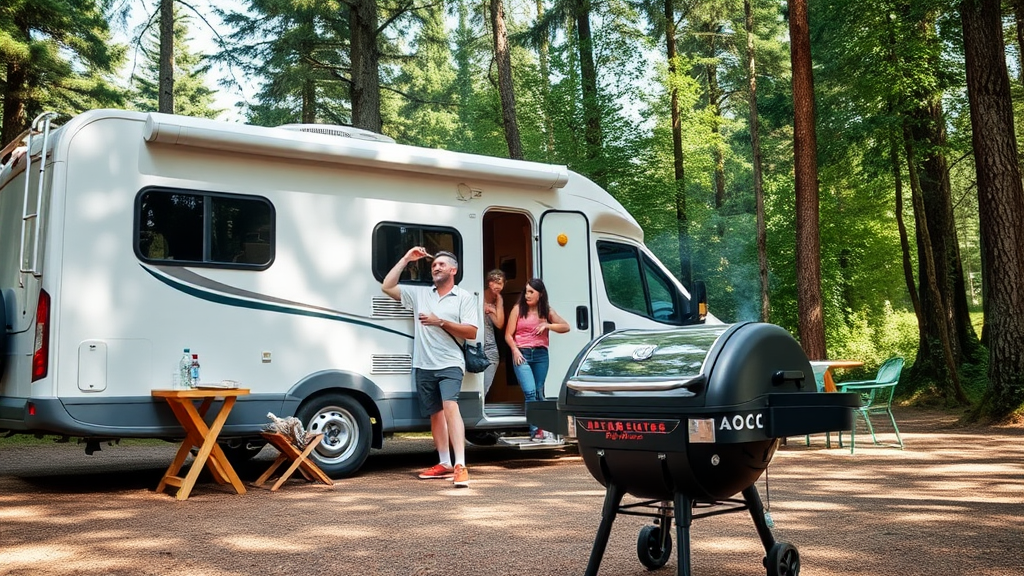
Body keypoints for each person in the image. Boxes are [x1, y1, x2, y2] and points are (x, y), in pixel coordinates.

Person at [382, 247, 478, 487]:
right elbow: (387, 286)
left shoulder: (464, 297)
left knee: (449, 406)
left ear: (453, 270)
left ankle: (460, 465)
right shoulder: (420, 295)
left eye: (442, 265)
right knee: (435, 413)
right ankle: (444, 463)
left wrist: (441, 322)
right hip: (424, 364)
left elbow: (472, 332)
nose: (436, 267)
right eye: (434, 265)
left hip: (450, 362)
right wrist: (406, 258)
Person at [504, 278, 570, 441]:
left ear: (540, 294)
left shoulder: (546, 310)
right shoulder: (518, 309)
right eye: (526, 291)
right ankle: (535, 431)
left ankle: (544, 428)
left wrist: (548, 326)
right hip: (522, 354)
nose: (527, 295)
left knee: (540, 391)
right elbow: (508, 335)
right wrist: (515, 350)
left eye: (531, 292)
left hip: (541, 355)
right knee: (530, 392)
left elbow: (566, 326)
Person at [482, 269, 506, 397]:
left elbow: (499, 324)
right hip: (476, 345)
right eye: (493, 282)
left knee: (485, 385)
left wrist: (494, 308)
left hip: (491, 348)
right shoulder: (478, 296)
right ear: (488, 283)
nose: (497, 286)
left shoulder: (498, 300)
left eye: (500, 283)